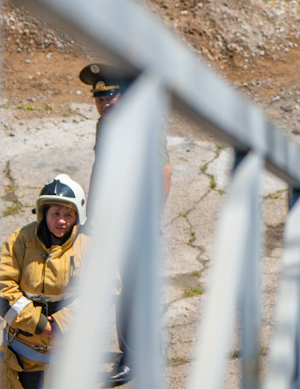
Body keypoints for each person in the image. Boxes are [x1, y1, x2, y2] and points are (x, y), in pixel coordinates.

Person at [79, 63, 172, 386]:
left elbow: (164, 171)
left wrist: (156, 216)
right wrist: (91, 214)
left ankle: (133, 359)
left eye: (110, 97)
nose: (105, 104)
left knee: (128, 288)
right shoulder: (104, 127)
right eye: (99, 99)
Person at [0, 175, 88, 389]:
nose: (61, 220)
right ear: (43, 214)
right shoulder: (20, 240)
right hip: (21, 356)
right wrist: (41, 326)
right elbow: (3, 289)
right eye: (55, 213)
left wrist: (61, 324)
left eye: (68, 214)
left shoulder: (89, 246)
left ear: (78, 217)